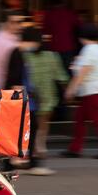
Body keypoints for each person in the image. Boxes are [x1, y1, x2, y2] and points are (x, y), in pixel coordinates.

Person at [62, 24, 98, 159]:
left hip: (93, 90)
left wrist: (71, 89)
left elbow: (83, 72)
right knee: (80, 118)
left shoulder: (89, 49)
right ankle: (75, 148)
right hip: (97, 90)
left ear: (82, 37)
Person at [21, 26, 69, 162]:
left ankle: (34, 148)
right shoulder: (52, 56)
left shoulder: (23, 55)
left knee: (31, 124)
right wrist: (66, 89)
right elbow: (61, 76)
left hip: (30, 97)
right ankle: (40, 146)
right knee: (43, 124)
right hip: (47, 96)